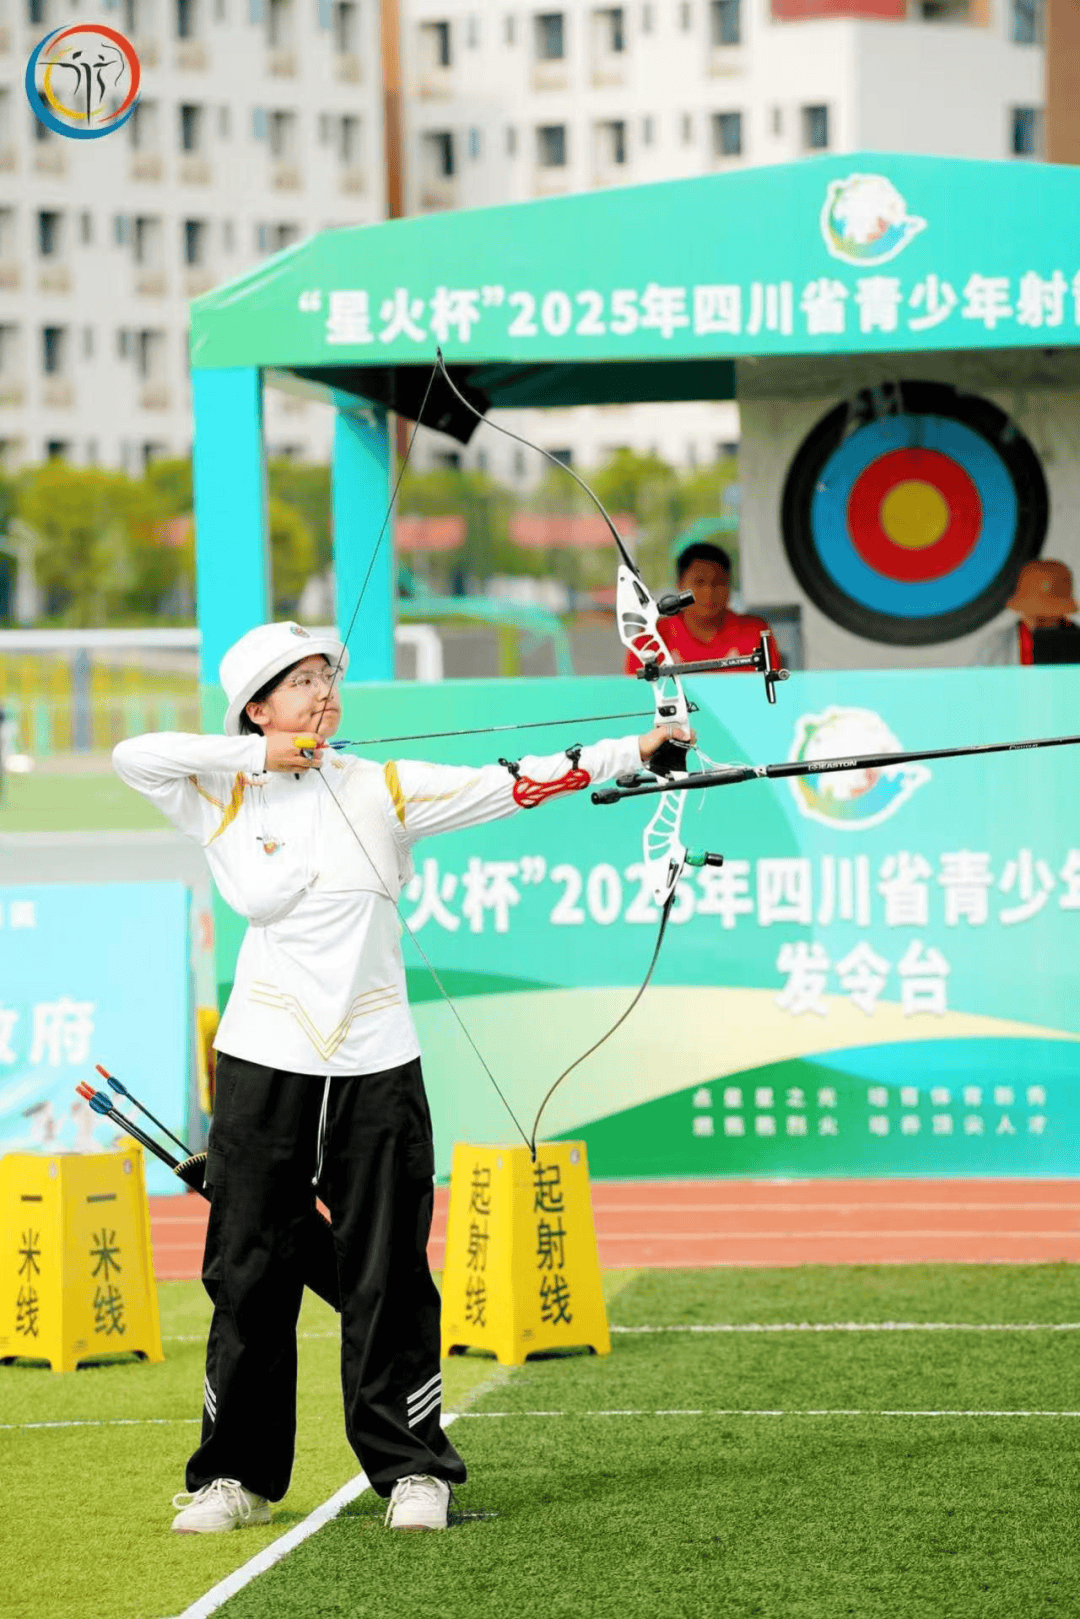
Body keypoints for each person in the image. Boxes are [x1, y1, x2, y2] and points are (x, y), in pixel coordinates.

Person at [112, 619, 690, 1536]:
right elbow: (132, 754)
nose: (323, 693)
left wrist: (640, 746)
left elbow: (511, 782)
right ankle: (234, 1476)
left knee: (386, 1267)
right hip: (264, 1058)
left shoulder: (378, 784)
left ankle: (413, 1468)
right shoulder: (220, 789)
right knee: (248, 1266)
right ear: (257, 708)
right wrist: (260, 756)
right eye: (300, 682)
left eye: (327, 677)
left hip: (375, 1058)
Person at [622, 539, 780, 675]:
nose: (709, 591)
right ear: (680, 585)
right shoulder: (651, 639)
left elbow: (773, 689)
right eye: (699, 582)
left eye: (718, 582)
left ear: (729, 586)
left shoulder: (755, 632)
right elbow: (634, 693)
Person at [978, 559, 1080, 665]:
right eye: (1035, 614)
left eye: (1049, 614)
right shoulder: (998, 644)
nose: (1040, 621)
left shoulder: (1075, 640)